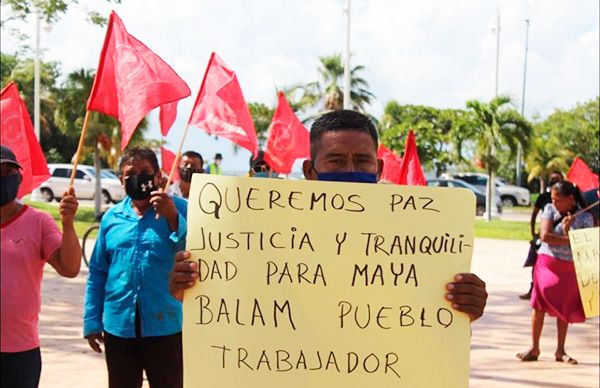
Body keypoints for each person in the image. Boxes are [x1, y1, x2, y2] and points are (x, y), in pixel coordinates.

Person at [169, 110, 488, 322]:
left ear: (377, 169)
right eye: (336, 160)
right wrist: (190, 287)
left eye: (362, 160)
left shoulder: (416, 233)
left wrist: (467, 303)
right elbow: (234, 301)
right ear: (310, 170)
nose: (350, 171)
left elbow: (434, 310)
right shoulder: (267, 229)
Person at [83, 147, 187, 388]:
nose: (138, 177)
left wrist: (172, 218)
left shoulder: (180, 209)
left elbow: (196, 253)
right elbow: (98, 273)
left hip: (166, 326)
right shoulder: (111, 219)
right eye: (131, 173)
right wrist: (91, 320)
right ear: (121, 180)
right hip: (119, 327)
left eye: (145, 172)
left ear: (158, 176)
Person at [1, 145, 81, 388]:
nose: (3, 179)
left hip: (20, 351)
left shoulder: (38, 222)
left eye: (9, 172)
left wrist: (68, 225)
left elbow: (69, 268)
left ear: (20, 178)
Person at [517, 181, 594, 365]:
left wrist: (568, 232)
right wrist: (569, 238)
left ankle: (560, 350)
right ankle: (534, 347)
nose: (554, 203)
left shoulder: (586, 217)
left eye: (558, 200)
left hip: (569, 267)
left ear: (570, 199)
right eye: (553, 199)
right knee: (538, 304)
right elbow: (545, 236)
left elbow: (585, 245)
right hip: (547, 264)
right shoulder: (550, 209)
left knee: (564, 308)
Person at [520, 171, 564, 299]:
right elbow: (534, 214)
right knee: (535, 264)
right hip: (542, 236)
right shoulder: (543, 197)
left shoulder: (567, 200)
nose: (554, 180)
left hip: (558, 237)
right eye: (552, 178)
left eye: (556, 179)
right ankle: (533, 289)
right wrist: (533, 231)